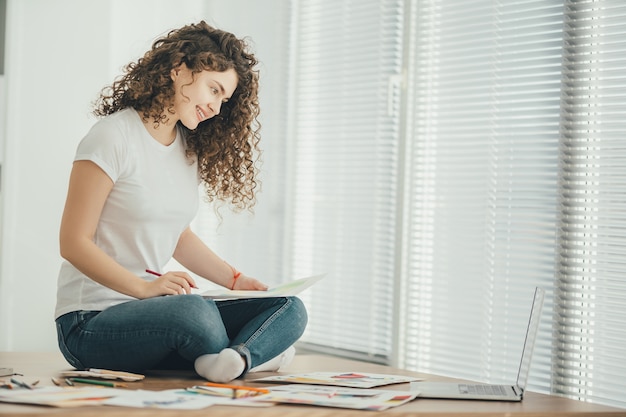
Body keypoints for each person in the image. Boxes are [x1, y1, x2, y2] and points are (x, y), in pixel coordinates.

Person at [54, 21, 307, 383]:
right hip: (90, 321)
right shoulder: (112, 136)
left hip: (155, 311)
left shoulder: (186, 149)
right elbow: (73, 242)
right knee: (192, 313)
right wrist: (143, 289)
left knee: (287, 308)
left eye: (224, 99)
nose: (217, 108)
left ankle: (234, 358)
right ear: (179, 69)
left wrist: (236, 280)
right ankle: (254, 355)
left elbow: (178, 235)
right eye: (214, 89)